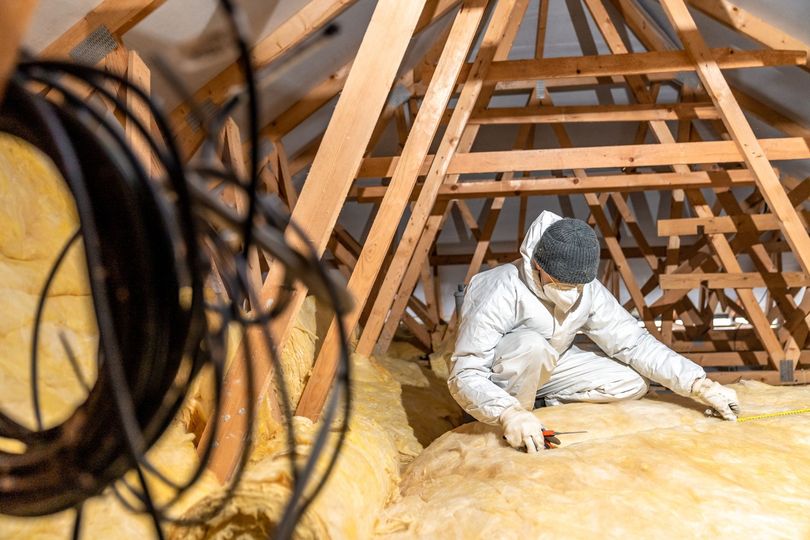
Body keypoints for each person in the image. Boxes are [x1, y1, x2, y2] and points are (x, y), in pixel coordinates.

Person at [448, 211, 740, 453]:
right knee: (531, 344)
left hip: (550, 366)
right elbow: (466, 372)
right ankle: (513, 420)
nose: (570, 291)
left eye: (577, 284)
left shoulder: (586, 290)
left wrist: (699, 385)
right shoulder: (500, 288)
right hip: (501, 376)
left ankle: (539, 405)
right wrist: (507, 413)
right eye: (561, 282)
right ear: (537, 263)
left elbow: (633, 342)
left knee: (631, 382)